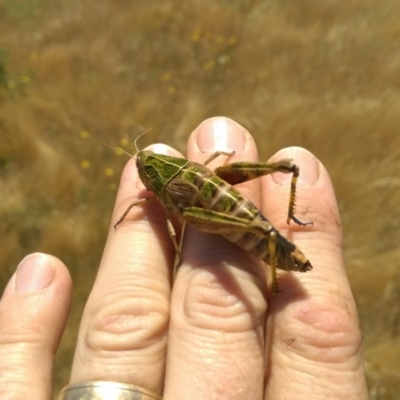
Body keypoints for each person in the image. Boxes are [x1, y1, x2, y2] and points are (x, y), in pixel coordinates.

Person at [0, 118, 369, 399]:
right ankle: (273, 238)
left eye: (145, 173)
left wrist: (153, 224)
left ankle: (275, 251)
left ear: (151, 179)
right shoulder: (179, 174)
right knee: (229, 193)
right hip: (214, 190)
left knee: (230, 218)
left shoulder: (159, 191)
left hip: (234, 221)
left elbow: (177, 223)